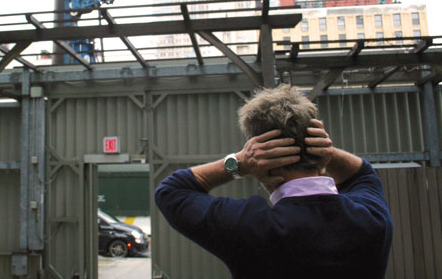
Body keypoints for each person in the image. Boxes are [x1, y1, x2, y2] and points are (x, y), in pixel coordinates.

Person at [154, 84, 393, 279]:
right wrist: (323, 149)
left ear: (259, 159)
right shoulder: (370, 218)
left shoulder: (249, 226)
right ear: (323, 153)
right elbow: (363, 174)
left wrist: (239, 162)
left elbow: (171, 191)